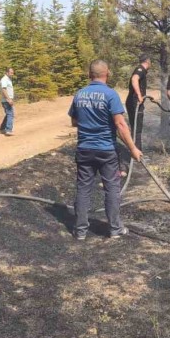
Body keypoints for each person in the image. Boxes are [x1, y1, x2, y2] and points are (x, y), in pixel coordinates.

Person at [69, 60, 143, 240]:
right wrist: (133, 149)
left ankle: (80, 231)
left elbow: (74, 121)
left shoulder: (79, 94)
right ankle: (115, 229)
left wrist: (90, 124)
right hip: (106, 150)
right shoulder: (111, 95)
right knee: (111, 188)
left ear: (89, 74)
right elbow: (120, 124)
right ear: (107, 73)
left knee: (83, 189)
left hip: (84, 149)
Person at [125, 56, 151, 149]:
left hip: (132, 101)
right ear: (147, 61)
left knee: (135, 127)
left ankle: (134, 150)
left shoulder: (141, 70)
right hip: (135, 102)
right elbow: (134, 79)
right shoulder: (140, 69)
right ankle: (137, 153)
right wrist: (139, 95)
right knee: (137, 128)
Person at [0, 67, 16, 136]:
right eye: (11, 72)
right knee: (10, 114)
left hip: (7, 99)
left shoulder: (8, 79)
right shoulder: (4, 79)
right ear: (7, 72)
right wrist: (9, 99)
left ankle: (2, 129)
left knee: (8, 114)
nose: (12, 74)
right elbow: (3, 89)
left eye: (13, 72)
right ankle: (8, 130)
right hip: (6, 100)